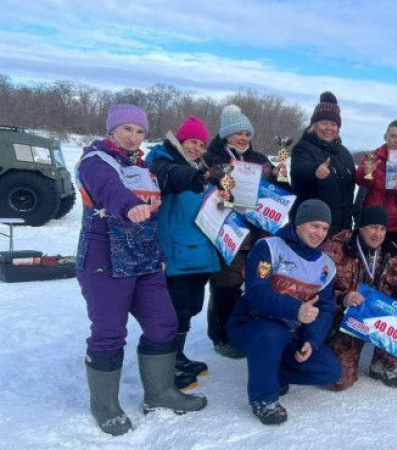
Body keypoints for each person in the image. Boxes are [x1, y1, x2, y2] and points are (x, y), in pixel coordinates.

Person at [76, 105, 207, 436]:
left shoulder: (144, 166)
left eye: (139, 131)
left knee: (163, 322)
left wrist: (159, 252)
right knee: (109, 331)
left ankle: (160, 393)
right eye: (127, 129)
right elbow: (108, 189)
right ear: (112, 131)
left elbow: (155, 212)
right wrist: (129, 206)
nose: (134, 137)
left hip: (146, 256)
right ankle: (104, 405)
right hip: (105, 254)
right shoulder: (95, 161)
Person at [227, 199, 341, 425]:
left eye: (325, 228)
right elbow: (256, 294)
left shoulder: (326, 266)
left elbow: (325, 309)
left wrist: (312, 340)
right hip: (252, 324)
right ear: (298, 223)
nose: (320, 233)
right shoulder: (269, 248)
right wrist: (296, 309)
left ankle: (270, 368)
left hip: (291, 332)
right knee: (272, 333)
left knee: (330, 370)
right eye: (314, 226)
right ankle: (264, 399)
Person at [201, 104, 283, 359]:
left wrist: (280, 176)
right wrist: (218, 190)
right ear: (226, 134)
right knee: (226, 286)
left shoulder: (259, 159)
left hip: (257, 232)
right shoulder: (212, 157)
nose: (243, 138)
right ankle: (221, 335)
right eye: (238, 133)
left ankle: (244, 329)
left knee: (257, 283)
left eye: (247, 133)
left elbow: (277, 190)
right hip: (227, 230)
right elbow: (203, 187)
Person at [146, 117, 218, 390]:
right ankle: (167, 367)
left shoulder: (198, 168)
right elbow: (173, 178)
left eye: (201, 144)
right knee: (173, 310)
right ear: (180, 140)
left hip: (198, 252)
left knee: (189, 308)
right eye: (192, 141)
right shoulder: (161, 161)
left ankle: (178, 355)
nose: (197, 148)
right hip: (174, 253)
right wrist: (197, 178)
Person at [323, 206, 397, 390]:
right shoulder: (336, 248)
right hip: (345, 319)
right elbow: (319, 290)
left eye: (382, 228)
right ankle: (325, 349)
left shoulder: (392, 253)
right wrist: (344, 299)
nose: (378, 234)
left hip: (377, 318)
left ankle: (382, 364)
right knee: (339, 382)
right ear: (360, 227)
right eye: (372, 227)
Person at [290, 91, 356, 237]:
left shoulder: (344, 153)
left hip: (342, 232)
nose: (328, 128)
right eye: (324, 123)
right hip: (313, 230)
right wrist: (315, 171)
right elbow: (298, 171)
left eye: (333, 124)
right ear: (314, 124)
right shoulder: (303, 147)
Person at [354, 120, 397, 245]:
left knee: (391, 263)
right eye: (393, 136)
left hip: (395, 227)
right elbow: (359, 180)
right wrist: (367, 172)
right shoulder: (372, 157)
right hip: (370, 225)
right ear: (385, 137)